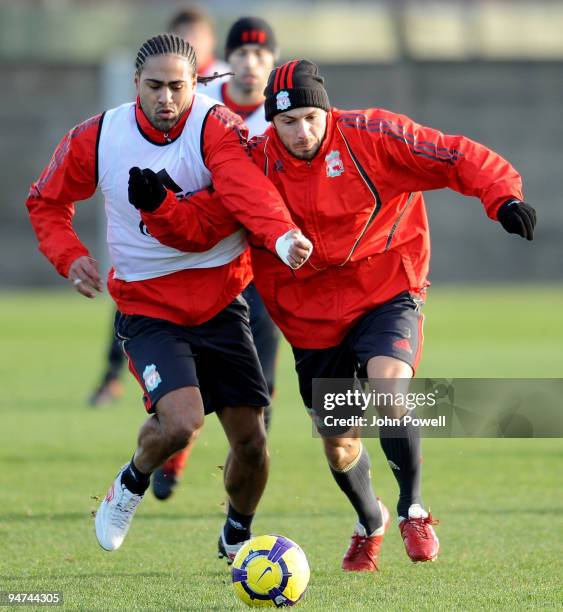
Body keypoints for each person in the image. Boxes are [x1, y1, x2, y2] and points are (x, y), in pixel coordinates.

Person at [138, 60, 537, 572]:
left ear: (326, 109)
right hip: (310, 320)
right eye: (287, 122)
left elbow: (454, 155)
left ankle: (414, 508)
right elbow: (204, 223)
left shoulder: (374, 135)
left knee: (389, 390)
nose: (301, 132)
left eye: (310, 118)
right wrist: (159, 206)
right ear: (271, 122)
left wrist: (502, 197)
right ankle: (371, 520)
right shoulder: (253, 166)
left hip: (387, 289)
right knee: (340, 446)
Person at [26, 35, 312, 559]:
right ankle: (131, 483)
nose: (165, 98)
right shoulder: (98, 136)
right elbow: (46, 201)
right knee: (182, 423)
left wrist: (280, 233)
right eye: (154, 86)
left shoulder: (216, 126)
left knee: (251, 441)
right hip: (147, 306)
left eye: (177, 87)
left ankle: (237, 532)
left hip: (223, 299)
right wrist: (69, 257)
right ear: (135, 83)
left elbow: (245, 190)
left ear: (194, 82)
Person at [152, 16, 281, 502]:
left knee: (257, 386)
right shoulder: (202, 112)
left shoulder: (282, 117)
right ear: (229, 61)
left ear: (272, 64)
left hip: (260, 268)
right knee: (192, 378)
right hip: (206, 263)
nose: (250, 64)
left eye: (261, 55)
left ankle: (238, 489)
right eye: (242, 54)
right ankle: (176, 449)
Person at [88, 6, 231, 407]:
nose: (166, 96)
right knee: (134, 295)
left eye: (198, 36)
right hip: (160, 245)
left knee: (259, 397)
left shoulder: (226, 95)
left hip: (225, 250)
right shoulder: (148, 96)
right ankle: (114, 380)